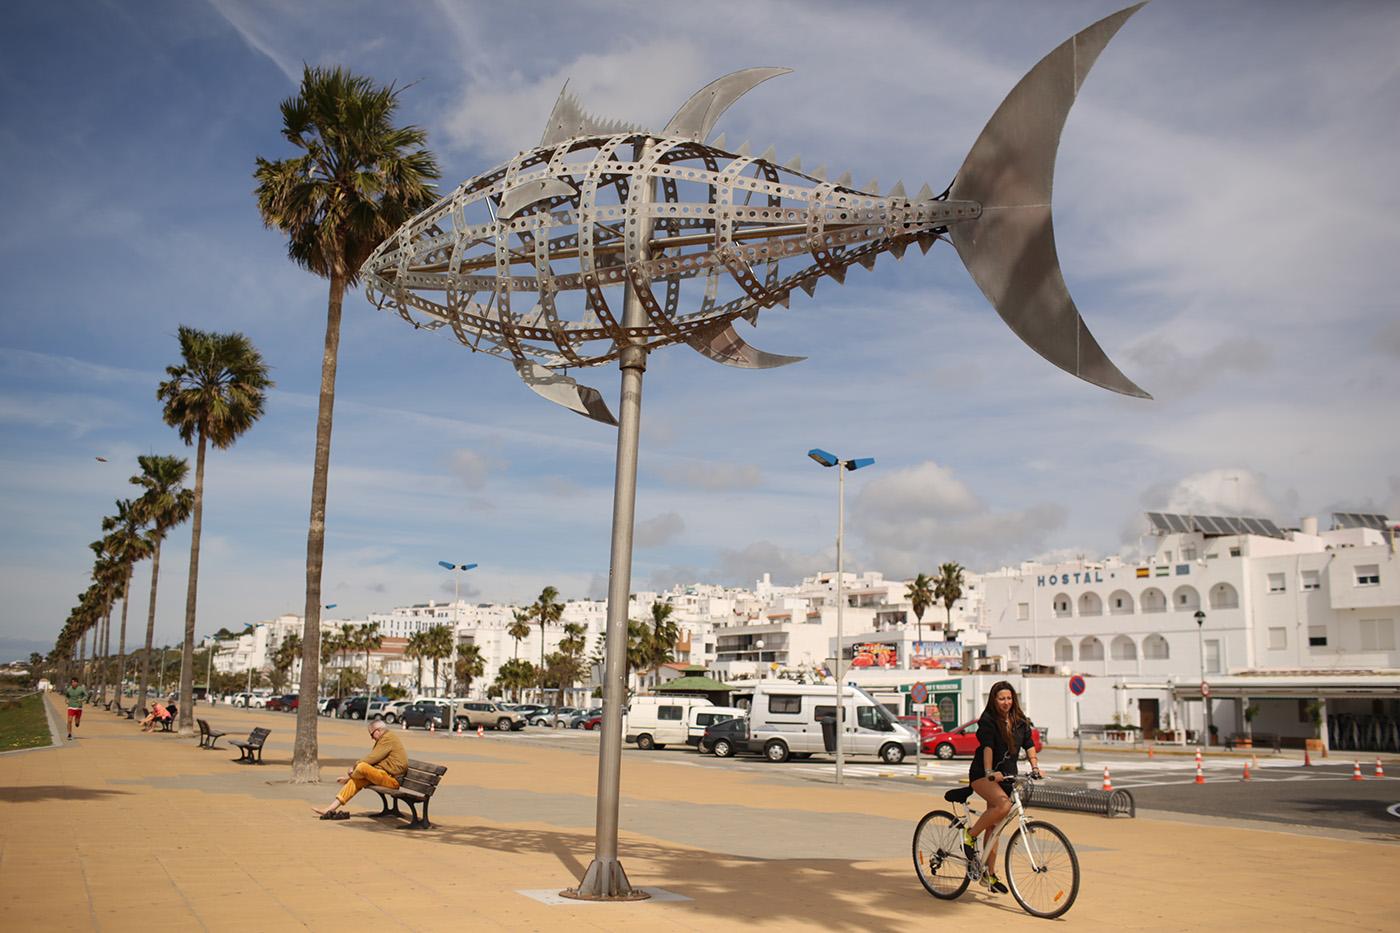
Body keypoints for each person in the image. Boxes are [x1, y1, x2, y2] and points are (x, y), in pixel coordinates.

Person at [961, 680, 1042, 895]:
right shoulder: (988, 720)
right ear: (994, 700)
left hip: (1006, 776)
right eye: (1001, 699)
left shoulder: (1020, 722)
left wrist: (1035, 767)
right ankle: (970, 835)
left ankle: (989, 874)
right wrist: (989, 772)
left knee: (995, 826)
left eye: (1009, 698)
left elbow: (1029, 744)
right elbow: (987, 747)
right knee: (1003, 805)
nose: (1006, 702)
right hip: (983, 774)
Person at [313, 718, 407, 820]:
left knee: (362, 767)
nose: (372, 738)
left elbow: (372, 758)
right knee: (356, 780)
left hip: (393, 781)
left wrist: (354, 767)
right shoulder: (384, 738)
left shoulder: (388, 738)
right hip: (384, 776)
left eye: (371, 734)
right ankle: (331, 808)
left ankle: (349, 778)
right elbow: (375, 761)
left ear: (378, 731)